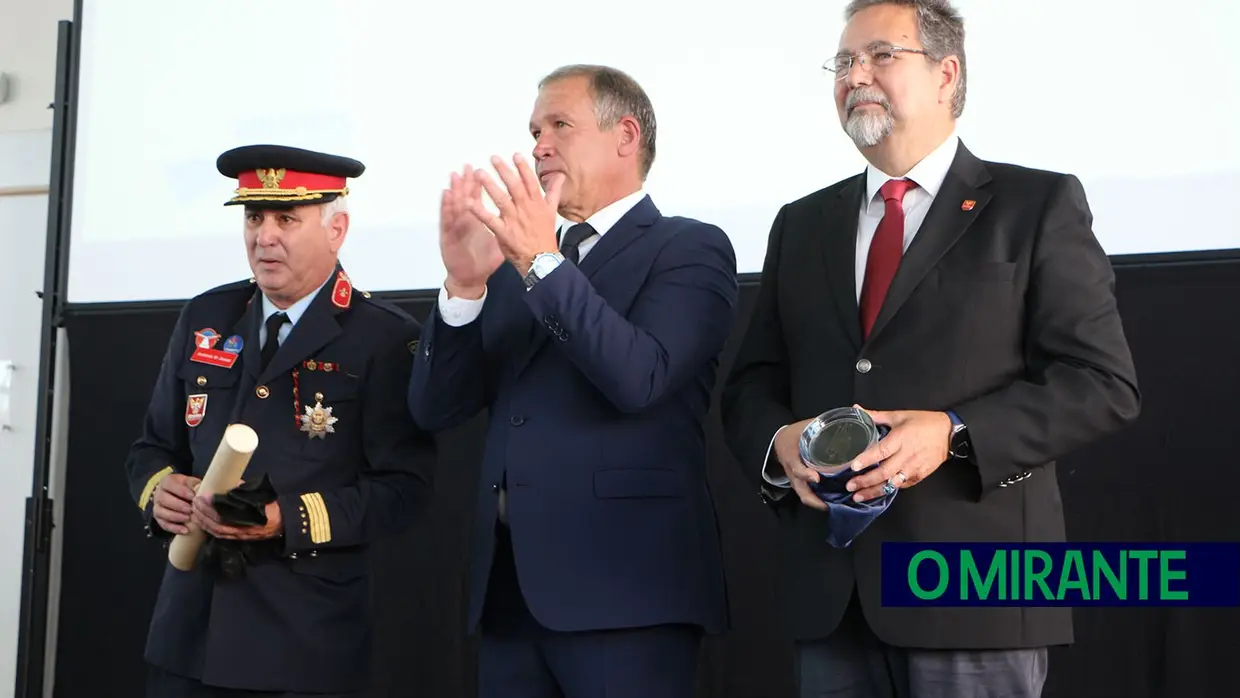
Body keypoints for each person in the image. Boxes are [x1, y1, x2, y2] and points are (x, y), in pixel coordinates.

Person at [720, 1, 1141, 696]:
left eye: (881, 55)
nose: (856, 74)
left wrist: (954, 433)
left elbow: (1102, 383)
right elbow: (750, 385)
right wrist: (781, 442)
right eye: (845, 61)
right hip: (832, 598)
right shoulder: (802, 223)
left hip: (976, 596)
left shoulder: (1035, 204)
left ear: (947, 74)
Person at [407, 64, 736, 698]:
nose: (539, 146)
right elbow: (434, 408)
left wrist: (540, 262)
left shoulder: (688, 248)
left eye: (560, 125)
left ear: (626, 136)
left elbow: (639, 377)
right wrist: (465, 287)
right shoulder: (516, 265)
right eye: (534, 130)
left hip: (628, 596)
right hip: (510, 599)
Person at [124, 144, 438, 697]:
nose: (264, 236)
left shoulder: (385, 338)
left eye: (286, 218)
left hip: (302, 644)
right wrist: (158, 490)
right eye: (253, 217)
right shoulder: (207, 316)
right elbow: (151, 447)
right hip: (189, 636)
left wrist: (284, 518)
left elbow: (402, 491)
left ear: (336, 228)